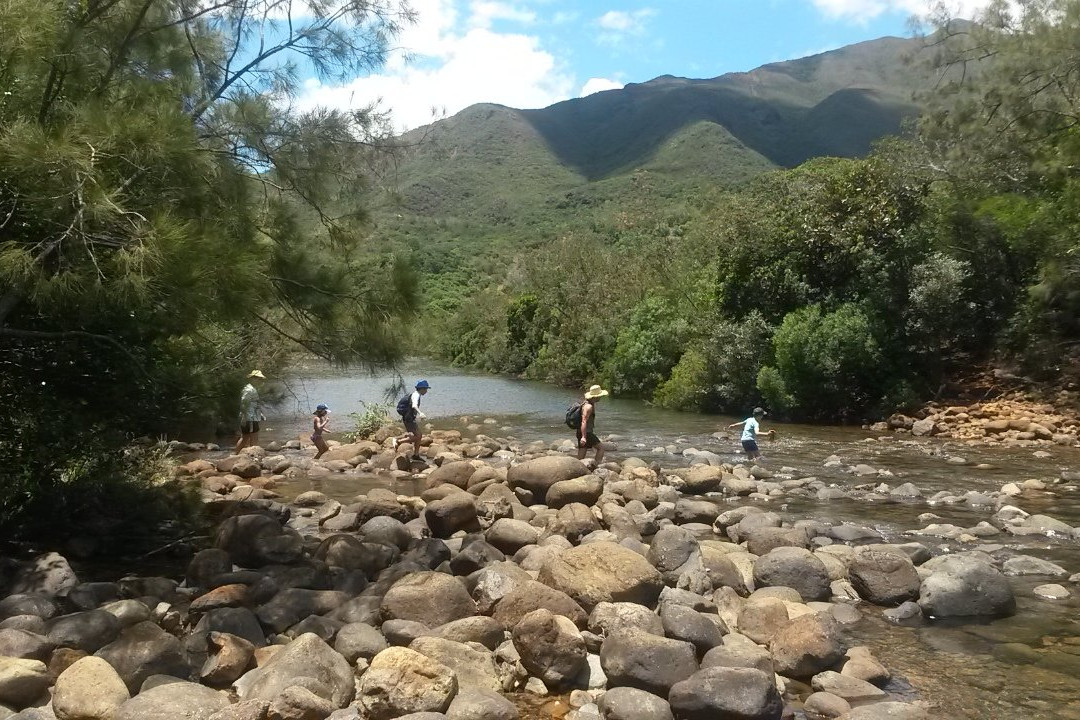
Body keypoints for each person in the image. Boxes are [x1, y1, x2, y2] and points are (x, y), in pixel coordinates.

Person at [393, 379, 430, 460]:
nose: (426, 391)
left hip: (409, 417)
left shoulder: (416, 394)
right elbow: (414, 406)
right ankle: (398, 441)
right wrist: (420, 413)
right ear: (422, 388)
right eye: (426, 389)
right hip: (408, 418)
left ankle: (416, 455)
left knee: (418, 435)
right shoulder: (416, 395)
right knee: (418, 436)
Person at [576, 384, 609, 464]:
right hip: (587, 433)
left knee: (583, 449)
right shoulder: (589, 407)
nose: (600, 397)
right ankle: (597, 465)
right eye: (600, 396)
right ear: (596, 397)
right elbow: (584, 421)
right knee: (601, 448)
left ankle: (578, 465)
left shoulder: (586, 403)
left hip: (580, 431)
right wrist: (584, 437)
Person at [236, 370, 266, 451]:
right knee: (252, 437)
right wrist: (245, 417)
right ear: (253, 379)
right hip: (249, 417)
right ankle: (250, 455)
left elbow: (254, 404)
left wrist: (261, 415)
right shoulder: (249, 389)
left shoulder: (252, 388)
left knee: (246, 437)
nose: (260, 381)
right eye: (258, 379)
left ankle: (237, 455)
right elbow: (244, 403)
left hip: (253, 417)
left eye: (260, 379)